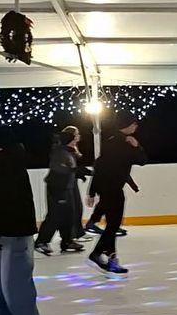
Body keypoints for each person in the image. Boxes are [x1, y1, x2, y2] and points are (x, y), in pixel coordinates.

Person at [0, 128, 43, 315]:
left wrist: (1, 230)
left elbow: (12, 204)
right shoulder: (3, 165)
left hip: (15, 232)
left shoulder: (11, 166)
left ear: (0, 144)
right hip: (2, 233)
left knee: (15, 281)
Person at [87, 112, 146, 278]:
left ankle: (111, 258)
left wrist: (92, 191)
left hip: (106, 189)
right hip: (113, 190)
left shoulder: (110, 141)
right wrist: (136, 146)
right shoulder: (124, 143)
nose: (136, 127)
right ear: (126, 125)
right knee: (113, 226)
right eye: (134, 124)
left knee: (112, 225)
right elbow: (142, 160)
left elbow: (99, 166)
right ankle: (98, 254)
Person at [34, 128, 84, 256]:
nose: (77, 139)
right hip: (57, 187)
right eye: (75, 137)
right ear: (69, 140)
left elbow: (71, 168)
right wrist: (76, 171)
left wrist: (78, 173)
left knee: (69, 214)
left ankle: (67, 241)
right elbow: (59, 169)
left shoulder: (68, 151)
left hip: (66, 187)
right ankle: (41, 241)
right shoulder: (59, 152)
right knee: (55, 214)